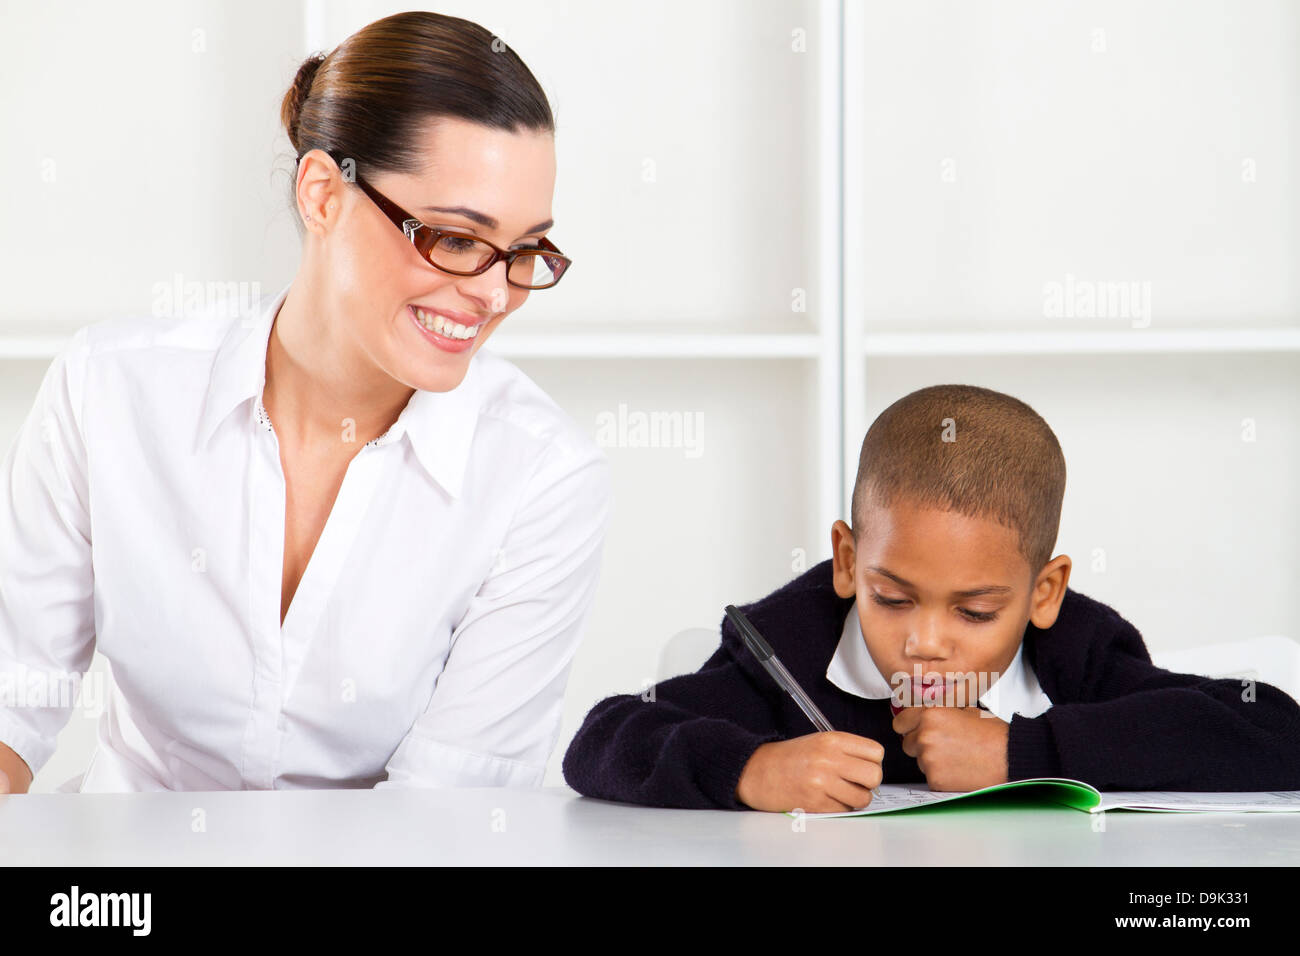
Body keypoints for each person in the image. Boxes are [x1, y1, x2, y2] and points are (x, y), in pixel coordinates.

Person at [0, 11, 611, 793]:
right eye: (457, 240)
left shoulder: (542, 477)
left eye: (525, 251)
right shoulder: (110, 391)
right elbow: (13, 707)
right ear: (323, 193)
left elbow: (446, 815)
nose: (495, 294)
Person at [562, 384, 1300, 811]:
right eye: (892, 598)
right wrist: (752, 770)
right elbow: (600, 739)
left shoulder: (1078, 651)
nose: (927, 642)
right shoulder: (786, 654)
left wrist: (1024, 753)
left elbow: (1276, 735)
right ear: (849, 561)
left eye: (975, 612)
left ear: (1044, 593)